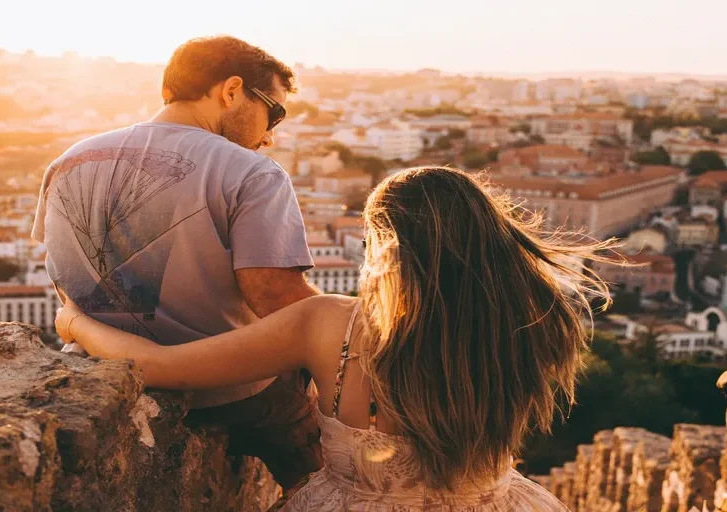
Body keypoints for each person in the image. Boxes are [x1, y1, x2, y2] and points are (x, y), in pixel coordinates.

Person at [55, 166, 617, 511]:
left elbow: (161, 367)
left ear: (384, 244)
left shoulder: (327, 323)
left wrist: (75, 323)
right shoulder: (531, 326)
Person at [31, 35, 322, 489]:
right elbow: (276, 299)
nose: (269, 134)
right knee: (332, 472)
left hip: (100, 372)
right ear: (231, 91)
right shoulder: (252, 172)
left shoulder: (69, 161)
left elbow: (67, 280)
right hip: (230, 391)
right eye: (274, 111)